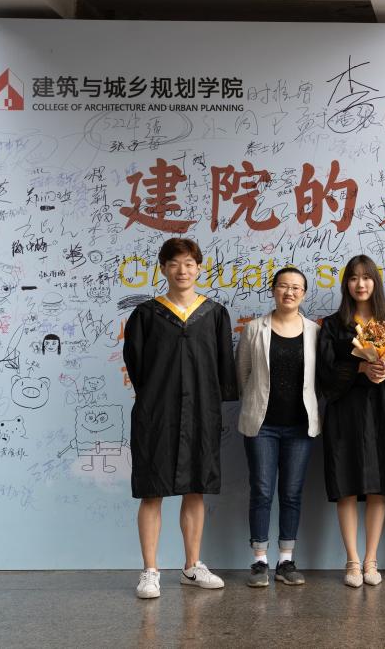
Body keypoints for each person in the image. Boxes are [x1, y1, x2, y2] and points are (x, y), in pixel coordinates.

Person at [123, 237, 238, 599]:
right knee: (151, 490)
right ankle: (150, 571)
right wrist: (156, 397)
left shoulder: (214, 313)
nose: (182, 270)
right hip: (157, 412)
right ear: (163, 269)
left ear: (199, 268)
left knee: (196, 487)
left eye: (189, 263)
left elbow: (224, 364)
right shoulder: (146, 314)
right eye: (174, 263)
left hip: (202, 410)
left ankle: (191, 566)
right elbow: (136, 365)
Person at [317, 255, 385, 588]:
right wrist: (358, 368)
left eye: (366, 277)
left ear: (375, 282)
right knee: (346, 483)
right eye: (353, 278)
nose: (360, 284)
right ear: (346, 284)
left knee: (378, 484)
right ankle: (352, 560)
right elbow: (324, 372)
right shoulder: (333, 324)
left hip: (383, 411)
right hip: (346, 411)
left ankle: (371, 559)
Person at [235, 267, 320, 587]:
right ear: (273, 290)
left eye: (296, 287)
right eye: (283, 286)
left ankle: (286, 560)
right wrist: (255, 403)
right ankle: (259, 561)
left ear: (304, 293)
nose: (289, 292)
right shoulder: (254, 329)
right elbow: (242, 374)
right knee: (262, 491)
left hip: (300, 426)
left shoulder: (314, 331)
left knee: (292, 492)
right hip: (262, 426)